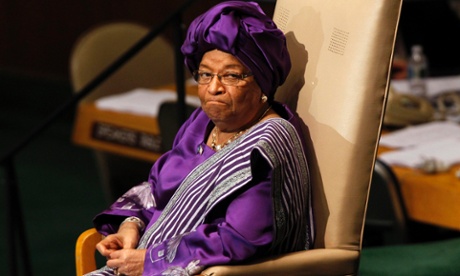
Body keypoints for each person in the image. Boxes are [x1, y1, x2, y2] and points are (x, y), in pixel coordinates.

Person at [86, 1, 313, 275]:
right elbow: (158, 189)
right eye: (205, 75)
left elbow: (241, 239)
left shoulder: (268, 142)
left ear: (262, 84)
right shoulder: (202, 122)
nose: (213, 88)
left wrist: (150, 261)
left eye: (231, 75)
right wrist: (131, 226)